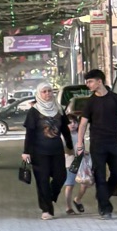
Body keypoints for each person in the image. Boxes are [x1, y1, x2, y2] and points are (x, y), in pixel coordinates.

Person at [81, 67, 117, 217]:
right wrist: (79, 143)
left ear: (99, 81)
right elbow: (83, 124)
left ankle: (103, 195)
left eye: (90, 81)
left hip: (114, 142)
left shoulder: (116, 99)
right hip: (97, 144)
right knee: (100, 176)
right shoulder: (90, 102)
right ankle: (105, 208)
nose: (88, 85)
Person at [22, 84, 72, 219]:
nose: (47, 94)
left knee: (61, 176)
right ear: (39, 94)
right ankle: (47, 210)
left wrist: (70, 147)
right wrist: (26, 151)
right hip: (38, 151)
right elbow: (29, 133)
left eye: (49, 91)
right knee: (42, 181)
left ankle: (50, 196)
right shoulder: (34, 111)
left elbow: (65, 130)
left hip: (57, 150)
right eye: (44, 92)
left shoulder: (59, 109)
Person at [63, 96, 91, 214]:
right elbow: (64, 149)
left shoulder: (81, 134)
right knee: (69, 185)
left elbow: (85, 145)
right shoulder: (64, 136)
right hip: (70, 164)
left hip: (82, 163)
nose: (73, 124)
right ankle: (68, 207)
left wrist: (85, 152)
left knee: (85, 183)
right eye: (70, 123)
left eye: (74, 122)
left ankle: (78, 199)